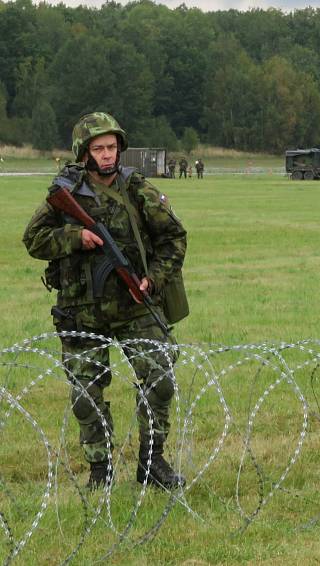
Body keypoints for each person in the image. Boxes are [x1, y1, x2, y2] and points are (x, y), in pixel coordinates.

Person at [22, 112, 188, 490]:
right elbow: (33, 240)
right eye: (99, 148)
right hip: (81, 310)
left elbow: (174, 237)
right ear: (84, 152)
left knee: (160, 378)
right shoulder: (65, 193)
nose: (107, 154)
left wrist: (153, 279)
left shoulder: (137, 189)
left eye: (112, 147)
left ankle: (152, 462)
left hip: (134, 305)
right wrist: (75, 238)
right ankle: (100, 470)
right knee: (86, 394)